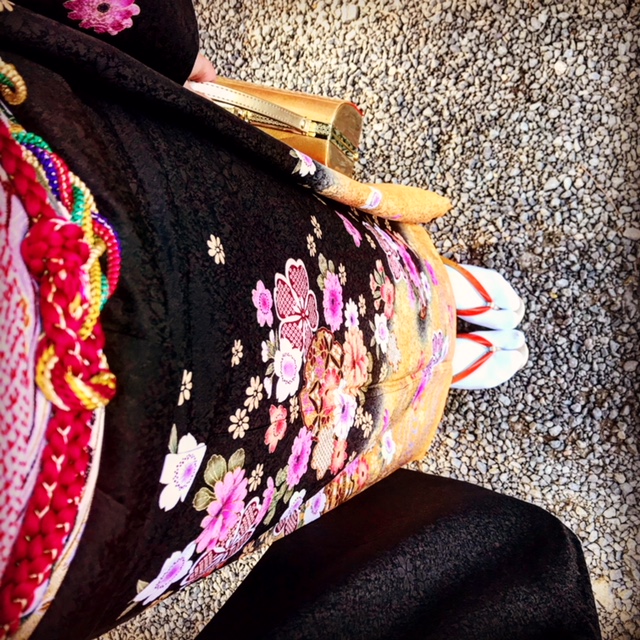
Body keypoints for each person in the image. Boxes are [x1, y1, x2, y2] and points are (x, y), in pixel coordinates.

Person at [0, 2, 596, 639]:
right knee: (277, 439)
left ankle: (415, 301)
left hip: (74, 200)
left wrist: (161, 39)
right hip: (86, 527)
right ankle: (411, 355)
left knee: (286, 257)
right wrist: (162, 41)